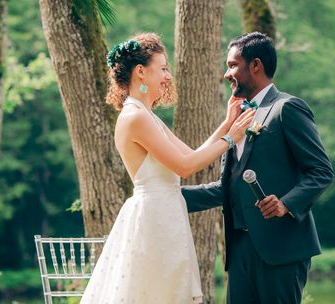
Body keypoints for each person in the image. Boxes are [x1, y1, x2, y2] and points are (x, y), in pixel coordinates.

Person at [80, 33, 255, 304]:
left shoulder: (145, 115)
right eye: (162, 68)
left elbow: (191, 154)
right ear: (140, 72)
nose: (167, 76)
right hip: (154, 218)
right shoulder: (135, 116)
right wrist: (232, 137)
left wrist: (227, 123)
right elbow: (185, 167)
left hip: (166, 214)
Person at [182, 32, 334, 304]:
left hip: (281, 249)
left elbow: (321, 171)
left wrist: (286, 204)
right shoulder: (237, 118)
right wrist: (171, 196)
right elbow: (230, 188)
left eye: (232, 65)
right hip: (239, 250)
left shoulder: (287, 108)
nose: (227, 73)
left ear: (255, 65)